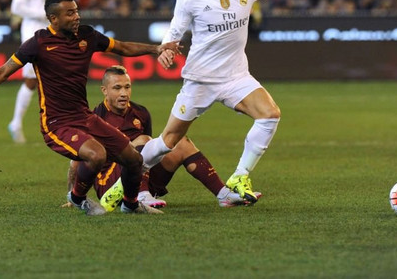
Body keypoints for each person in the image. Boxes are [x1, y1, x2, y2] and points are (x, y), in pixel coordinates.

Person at [141, 0, 367, 203]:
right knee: (168, 141)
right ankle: (129, 180)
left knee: (270, 114)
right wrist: (165, 49)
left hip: (236, 76)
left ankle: (240, 176)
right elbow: (175, 31)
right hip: (200, 80)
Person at [0, 0, 180, 215]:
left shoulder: (87, 36)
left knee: (134, 159)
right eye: (70, 13)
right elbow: (4, 71)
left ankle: (130, 205)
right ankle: (78, 198)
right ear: (53, 19)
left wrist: (156, 48)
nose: (76, 17)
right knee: (96, 155)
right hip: (57, 123)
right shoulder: (38, 43)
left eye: (77, 11)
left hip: (85, 117)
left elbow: (122, 47)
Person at [64, 65, 256, 211]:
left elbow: (152, 153)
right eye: (117, 88)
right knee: (143, 141)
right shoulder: (93, 118)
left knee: (179, 142)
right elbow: (76, 163)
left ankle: (223, 194)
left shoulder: (141, 113)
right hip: (109, 186)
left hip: (137, 174)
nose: (123, 93)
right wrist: (72, 197)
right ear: (104, 90)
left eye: (127, 87)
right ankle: (141, 195)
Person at [8, 0, 62, 144]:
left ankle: (56, 122)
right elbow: (16, 6)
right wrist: (41, 14)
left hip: (51, 31)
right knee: (31, 80)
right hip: (31, 30)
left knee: (48, 78)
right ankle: (16, 122)